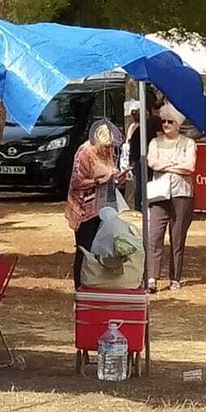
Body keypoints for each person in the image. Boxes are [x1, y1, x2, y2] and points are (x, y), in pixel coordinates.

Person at [65, 120, 126, 287]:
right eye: (106, 146)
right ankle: (80, 287)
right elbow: (76, 182)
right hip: (86, 208)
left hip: (105, 206)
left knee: (103, 247)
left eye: (111, 146)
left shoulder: (109, 151)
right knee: (85, 249)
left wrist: (118, 179)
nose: (108, 150)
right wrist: (99, 181)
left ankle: (97, 283)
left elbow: (110, 173)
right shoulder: (84, 152)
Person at [146, 106, 197, 292]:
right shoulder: (154, 142)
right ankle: (152, 277)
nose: (166, 125)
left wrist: (165, 166)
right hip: (159, 193)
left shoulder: (189, 143)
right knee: (154, 235)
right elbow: (153, 162)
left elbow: (190, 167)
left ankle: (175, 277)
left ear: (178, 125)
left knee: (177, 237)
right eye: (164, 121)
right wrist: (176, 165)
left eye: (170, 121)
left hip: (182, 193)